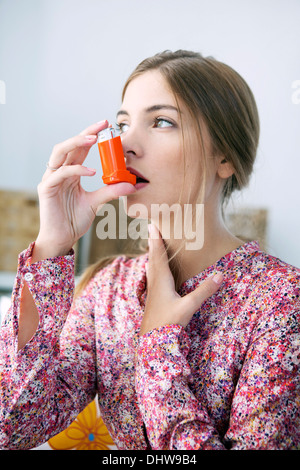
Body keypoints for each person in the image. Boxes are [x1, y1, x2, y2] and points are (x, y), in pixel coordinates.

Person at [0, 50, 299, 450]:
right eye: (122, 124)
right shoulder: (108, 288)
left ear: (224, 157)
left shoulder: (282, 301)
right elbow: (13, 425)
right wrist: (53, 245)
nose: (125, 146)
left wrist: (158, 341)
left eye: (162, 121)